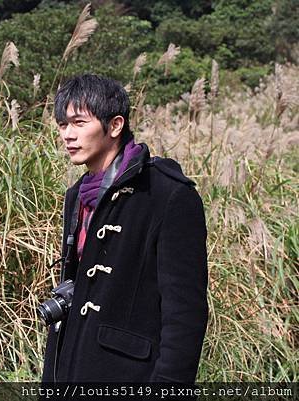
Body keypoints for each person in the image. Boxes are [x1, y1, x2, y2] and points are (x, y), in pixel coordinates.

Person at [41, 74, 208, 383]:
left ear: (115, 125)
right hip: (71, 366)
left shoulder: (167, 195)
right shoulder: (77, 195)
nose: (67, 135)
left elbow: (185, 314)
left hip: (131, 376)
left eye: (79, 123)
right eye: (63, 125)